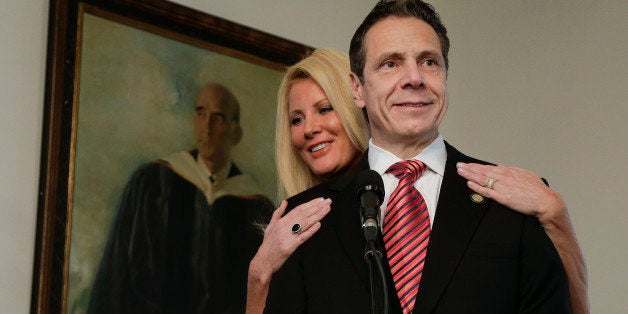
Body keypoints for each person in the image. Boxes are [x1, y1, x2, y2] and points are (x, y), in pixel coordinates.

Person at [265, 1, 576, 313]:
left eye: (429, 62)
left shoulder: (512, 201)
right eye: (390, 64)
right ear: (357, 88)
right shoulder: (304, 221)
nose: (414, 78)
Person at [88, 83, 273, 313]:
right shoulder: (152, 183)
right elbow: (117, 274)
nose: (206, 126)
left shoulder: (257, 208)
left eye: (218, 118)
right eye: (200, 113)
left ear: (236, 133)